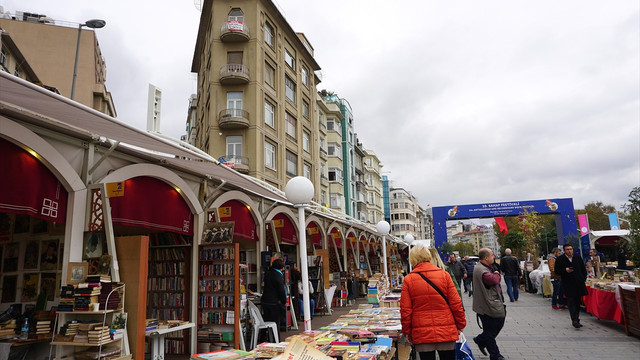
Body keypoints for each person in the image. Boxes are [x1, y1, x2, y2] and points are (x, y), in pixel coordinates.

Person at [400, 246, 466, 360]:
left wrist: (407, 331)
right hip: (446, 330)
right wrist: (460, 324)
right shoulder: (444, 275)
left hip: (422, 332)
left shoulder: (409, 279)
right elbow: (456, 303)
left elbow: (405, 310)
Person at [472, 248, 507, 360]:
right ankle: (495, 355)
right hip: (487, 305)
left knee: (495, 327)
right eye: (492, 255)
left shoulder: (485, 267)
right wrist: (497, 273)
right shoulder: (482, 270)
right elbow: (493, 280)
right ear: (486, 258)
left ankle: (480, 340)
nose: (494, 256)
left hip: (490, 303)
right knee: (490, 331)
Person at [555, 244, 588, 328]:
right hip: (568, 283)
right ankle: (574, 319)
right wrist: (565, 270)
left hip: (578, 283)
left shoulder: (577, 258)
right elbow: (557, 271)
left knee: (577, 302)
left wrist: (583, 278)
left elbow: (583, 269)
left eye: (571, 249)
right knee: (571, 301)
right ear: (564, 251)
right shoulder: (560, 259)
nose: (570, 251)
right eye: (567, 249)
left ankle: (577, 318)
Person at [261, 258, 286, 335]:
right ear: (282, 267)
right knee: (276, 322)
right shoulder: (278, 276)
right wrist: (284, 301)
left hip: (265, 301)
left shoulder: (267, 273)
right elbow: (281, 290)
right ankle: (276, 339)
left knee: (266, 320)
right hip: (274, 302)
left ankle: (263, 338)